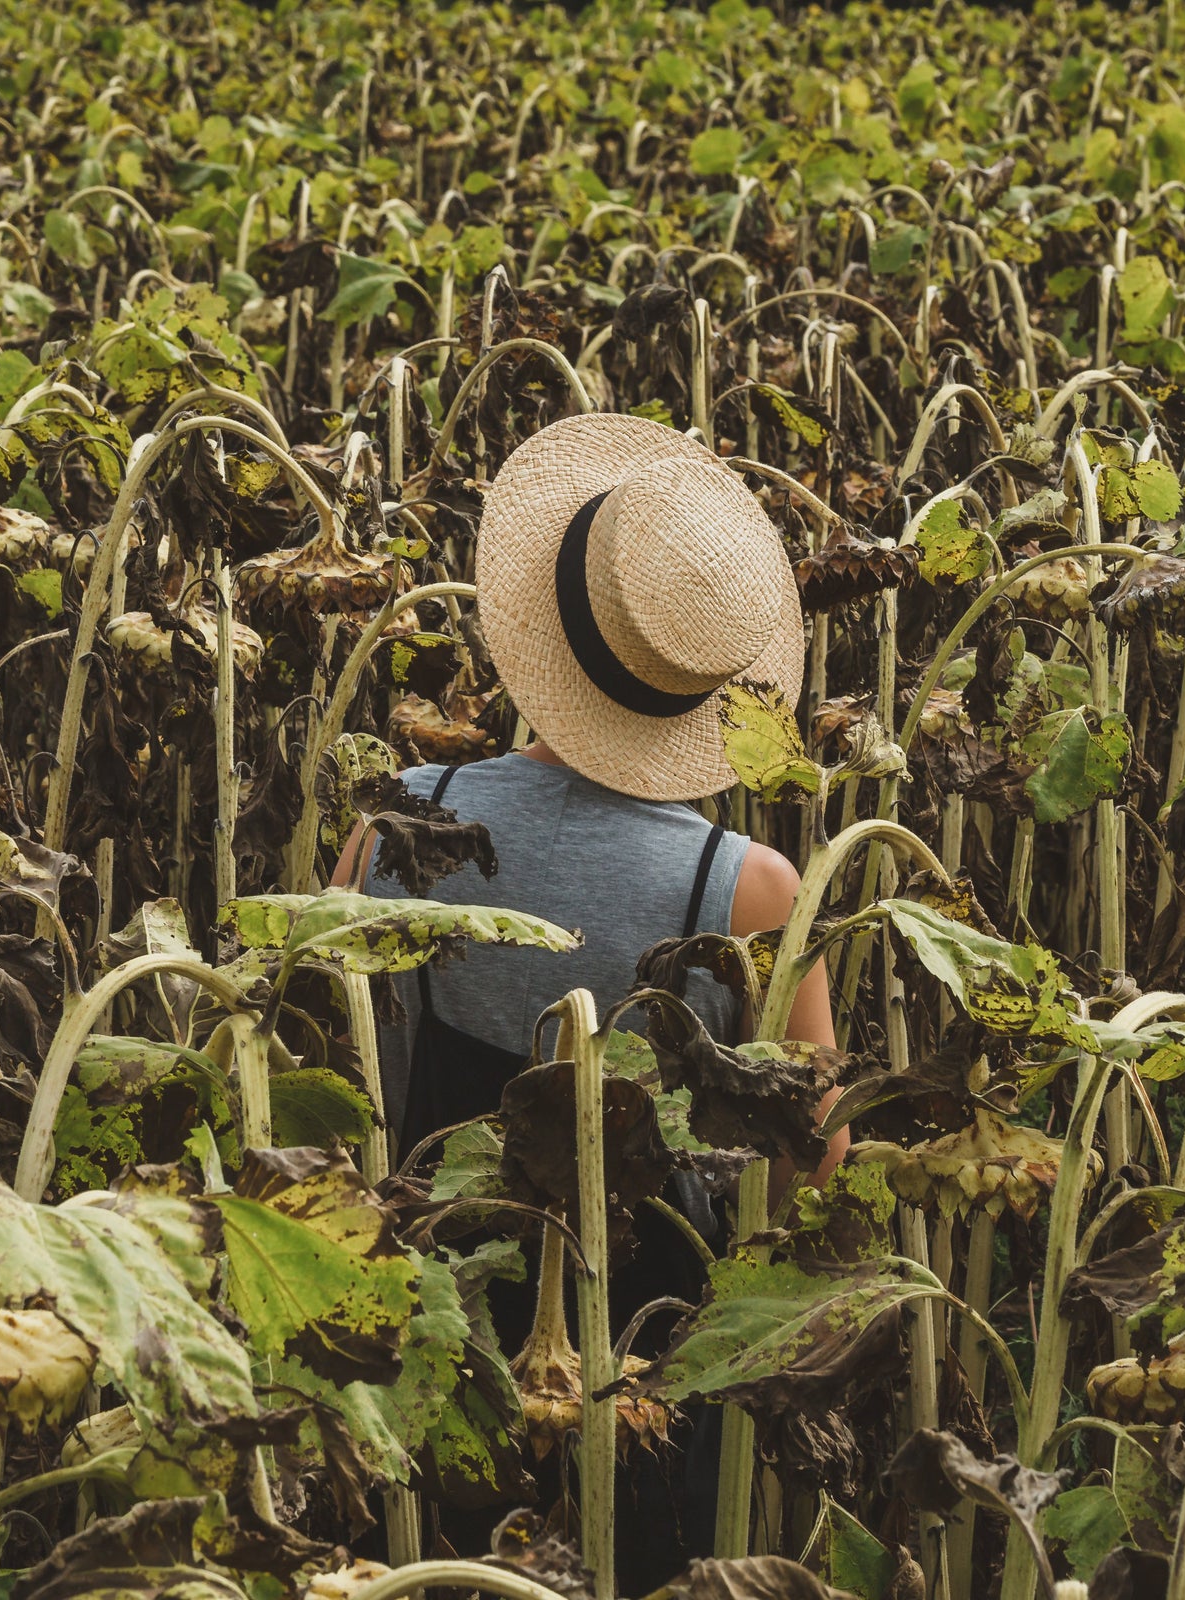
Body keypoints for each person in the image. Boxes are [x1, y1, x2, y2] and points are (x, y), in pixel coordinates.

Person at [329, 412, 842, 1583]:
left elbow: (337, 1067)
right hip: (648, 1363)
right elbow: (827, 1164)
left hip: (423, 1318)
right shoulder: (747, 888)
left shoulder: (402, 820)